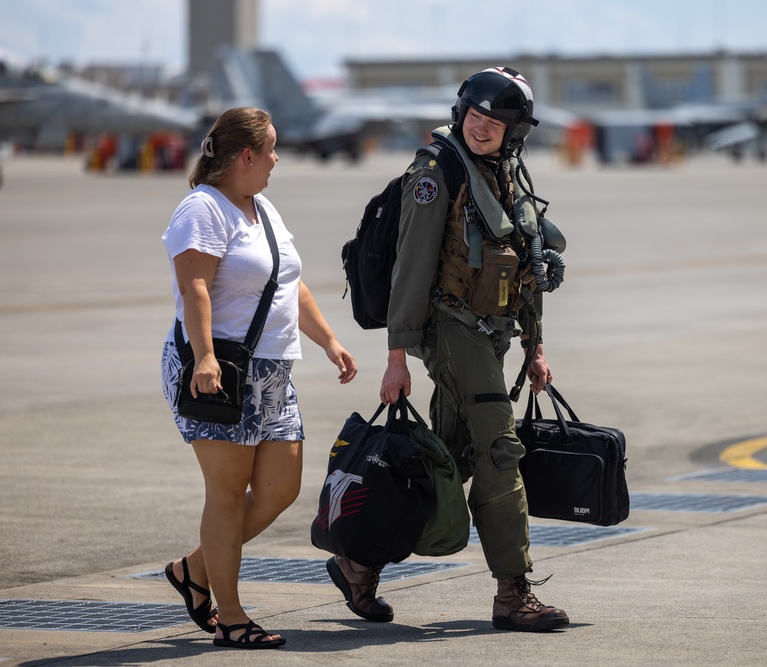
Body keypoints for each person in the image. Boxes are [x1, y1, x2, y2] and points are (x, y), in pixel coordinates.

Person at [326, 67, 569, 632]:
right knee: (501, 451)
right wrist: (396, 357)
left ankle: (359, 562)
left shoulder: (504, 172)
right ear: (462, 114)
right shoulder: (437, 172)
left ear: (516, 130)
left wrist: (535, 347)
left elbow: (526, 265)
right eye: (475, 116)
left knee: (448, 459)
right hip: (451, 329)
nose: (482, 127)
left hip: (492, 334)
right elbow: (411, 267)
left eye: (496, 121)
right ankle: (513, 592)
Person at [160, 107, 357, 649]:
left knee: (280, 487)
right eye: (271, 149)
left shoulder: (262, 208)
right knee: (227, 494)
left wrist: (329, 342)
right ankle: (230, 615)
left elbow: (289, 285)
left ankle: (194, 569)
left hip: (271, 369)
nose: (277, 158)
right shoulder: (202, 210)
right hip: (218, 369)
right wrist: (203, 358)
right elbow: (195, 288)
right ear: (245, 156)